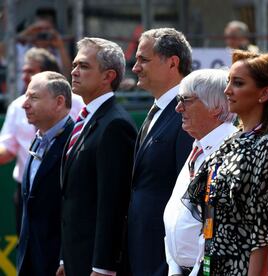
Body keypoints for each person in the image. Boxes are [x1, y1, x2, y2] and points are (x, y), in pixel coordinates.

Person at [186, 50, 268, 275]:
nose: (227, 91)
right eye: (228, 82)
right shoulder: (233, 140)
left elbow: (263, 230)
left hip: (242, 267)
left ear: (264, 93)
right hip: (213, 264)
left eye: (238, 83)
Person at [58, 37, 137, 276]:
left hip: (96, 265)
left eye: (83, 66)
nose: (74, 72)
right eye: (74, 65)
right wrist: (65, 258)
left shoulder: (115, 125)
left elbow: (113, 203)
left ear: (108, 76)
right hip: (77, 258)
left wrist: (103, 267)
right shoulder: (86, 118)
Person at [128, 27, 194, 275]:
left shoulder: (187, 116)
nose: (135, 68)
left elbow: (186, 194)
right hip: (142, 252)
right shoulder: (156, 111)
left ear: (172, 63)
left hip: (165, 258)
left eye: (143, 59)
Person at [0, 47, 83, 237]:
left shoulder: (77, 104)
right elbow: (8, 149)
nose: (24, 76)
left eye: (30, 71)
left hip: (63, 192)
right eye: (23, 71)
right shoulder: (17, 106)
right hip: (26, 191)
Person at [163, 69, 237, 276]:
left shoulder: (229, 150)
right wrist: (174, 268)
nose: (178, 108)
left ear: (214, 107)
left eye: (185, 100)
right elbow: (177, 214)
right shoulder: (198, 147)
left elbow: (217, 229)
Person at [17, 71, 74, 276]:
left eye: (33, 97)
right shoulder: (38, 138)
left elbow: (74, 209)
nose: (25, 104)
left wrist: (65, 257)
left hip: (58, 265)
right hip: (30, 259)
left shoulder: (74, 142)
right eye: (26, 96)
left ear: (59, 102)